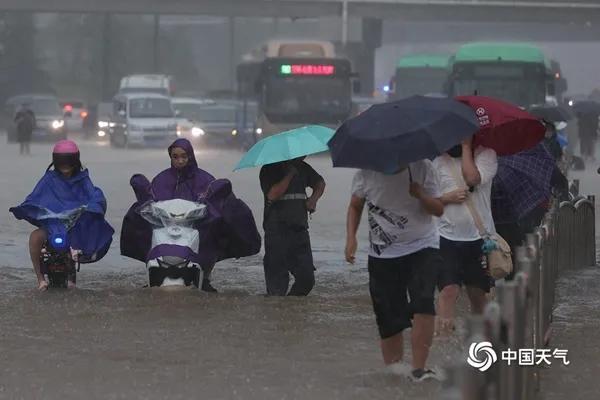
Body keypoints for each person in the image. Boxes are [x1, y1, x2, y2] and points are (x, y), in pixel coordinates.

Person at [344, 160, 444, 382]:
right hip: (383, 254)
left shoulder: (423, 168)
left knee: (424, 302)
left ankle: (419, 369)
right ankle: (395, 372)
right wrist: (351, 238)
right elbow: (355, 206)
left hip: (422, 246)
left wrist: (420, 194)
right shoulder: (365, 173)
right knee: (388, 317)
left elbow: (438, 209)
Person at [120, 138, 261, 292]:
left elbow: (216, 199)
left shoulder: (204, 179)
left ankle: (204, 277)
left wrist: (208, 210)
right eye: (175, 157)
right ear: (170, 157)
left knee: (212, 235)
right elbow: (150, 201)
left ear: (191, 156)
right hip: (166, 229)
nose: (180, 161)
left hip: (198, 231)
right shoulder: (161, 180)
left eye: (183, 156)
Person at [9, 140, 114, 291]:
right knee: (34, 238)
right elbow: (35, 197)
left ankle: (72, 278)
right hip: (52, 227)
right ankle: (40, 279)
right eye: (62, 163)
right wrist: (25, 207)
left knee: (77, 244)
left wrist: (93, 206)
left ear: (75, 162)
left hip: (74, 227)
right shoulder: (48, 179)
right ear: (56, 162)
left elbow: (94, 195)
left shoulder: (83, 179)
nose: (65, 167)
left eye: (68, 163)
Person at [433, 138, 497, 335]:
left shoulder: (487, 155)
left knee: (478, 295)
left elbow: (472, 179)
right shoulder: (437, 162)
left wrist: (466, 146)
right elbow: (426, 202)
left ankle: (481, 343)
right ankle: (444, 346)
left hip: (480, 238)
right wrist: (445, 198)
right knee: (448, 291)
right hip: (445, 238)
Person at [259, 157, 325, 296]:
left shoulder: (303, 167)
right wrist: (289, 175)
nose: (305, 155)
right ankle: (277, 312)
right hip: (276, 232)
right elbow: (272, 195)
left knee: (306, 280)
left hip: (299, 230)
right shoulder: (269, 168)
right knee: (276, 289)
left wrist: (313, 200)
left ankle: (292, 311)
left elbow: (320, 183)